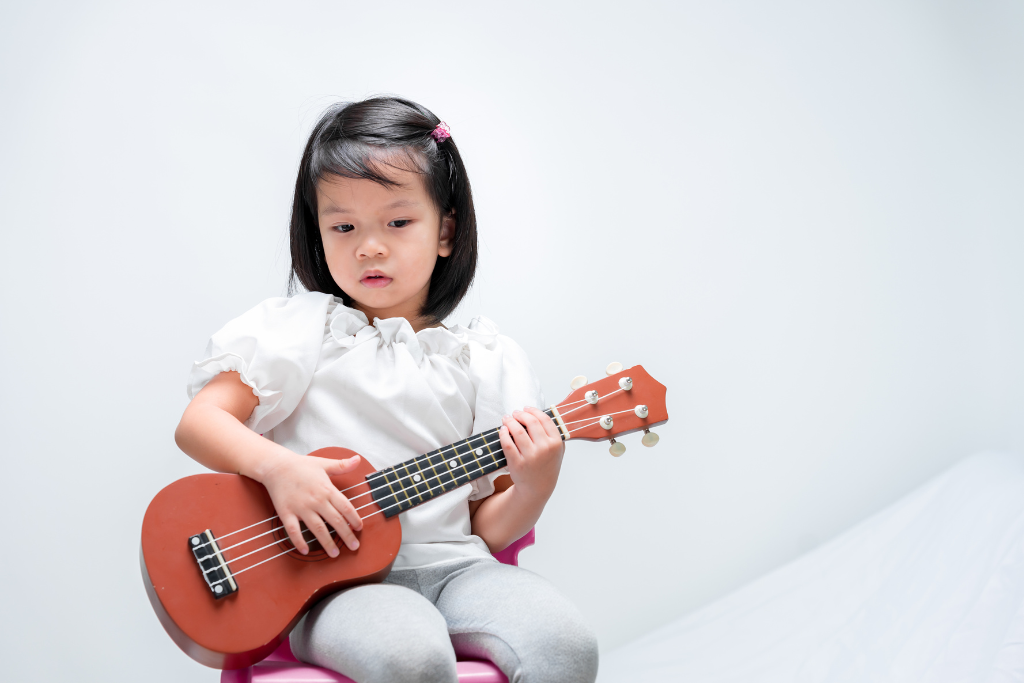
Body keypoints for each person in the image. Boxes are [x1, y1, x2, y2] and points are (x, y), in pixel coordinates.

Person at [173, 96, 599, 683]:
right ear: (317, 234)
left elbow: (485, 527)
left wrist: (535, 484)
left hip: (460, 571)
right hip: (333, 585)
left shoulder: (484, 358)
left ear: (446, 230)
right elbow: (200, 423)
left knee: (564, 642)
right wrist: (279, 469)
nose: (369, 246)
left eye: (398, 222)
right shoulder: (300, 331)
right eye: (343, 226)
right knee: (409, 657)